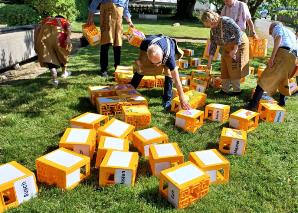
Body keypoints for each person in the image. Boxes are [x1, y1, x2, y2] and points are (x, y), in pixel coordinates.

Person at [130, 35, 191, 111]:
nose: (157, 65)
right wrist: (139, 65)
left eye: (159, 62)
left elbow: (177, 79)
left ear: (162, 54)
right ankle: (129, 90)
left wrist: (182, 98)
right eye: (154, 63)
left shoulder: (169, 58)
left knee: (168, 73)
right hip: (154, 42)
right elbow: (141, 59)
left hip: (169, 46)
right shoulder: (144, 44)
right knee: (142, 68)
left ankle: (166, 99)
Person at [246, 22, 298, 110]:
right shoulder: (290, 32)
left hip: (283, 54)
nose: (271, 33)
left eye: (270, 31)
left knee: (264, 79)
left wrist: (272, 57)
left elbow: (278, 38)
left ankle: (253, 105)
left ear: (271, 27)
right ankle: (282, 101)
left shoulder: (277, 27)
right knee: (282, 78)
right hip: (293, 57)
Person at [201, 10, 249, 95]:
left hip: (238, 43)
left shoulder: (226, 21)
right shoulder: (212, 29)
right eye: (209, 25)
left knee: (234, 66)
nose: (212, 26)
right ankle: (224, 89)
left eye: (212, 23)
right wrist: (209, 61)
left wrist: (234, 50)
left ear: (215, 18)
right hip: (226, 46)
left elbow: (237, 32)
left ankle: (236, 90)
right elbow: (213, 44)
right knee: (225, 66)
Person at [87, 0, 134, 77]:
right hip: (106, 20)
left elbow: (125, 9)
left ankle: (117, 69)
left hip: (118, 22)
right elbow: (95, 2)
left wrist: (130, 22)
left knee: (118, 45)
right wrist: (90, 17)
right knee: (105, 45)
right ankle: (103, 69)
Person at [34, 16, 72, 86]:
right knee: (62, 55)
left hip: (44, 40)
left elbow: (37, 29)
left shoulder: (46, 20)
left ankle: (55, 80)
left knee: (50, 59)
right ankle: (64, 73)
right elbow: (69, 27)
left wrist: (36, 44)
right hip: (59, 38)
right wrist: (68, 38)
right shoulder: (63, 20)